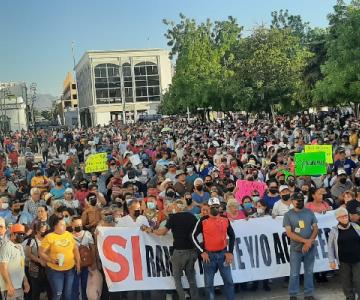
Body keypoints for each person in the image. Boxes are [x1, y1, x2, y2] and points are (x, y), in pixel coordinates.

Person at [143, 199, 198, 300]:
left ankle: (182, 297)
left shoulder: (174, 217)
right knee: (191, 277)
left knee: (177, 278)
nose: (172, 208)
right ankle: (195, 297)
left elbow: (162, 232)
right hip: (192, 251)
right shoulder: (192, 216)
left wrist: (150, 230)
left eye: (173, 206)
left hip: (179, 251)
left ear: (177, 207)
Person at [192, 197, 235, 300]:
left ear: (219, 206)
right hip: (209, 256)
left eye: (217, 206)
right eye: (212, 207)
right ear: (209, 208)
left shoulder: (225, 219)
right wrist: (202, 252)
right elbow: (193, 236)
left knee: (229, 281)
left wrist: (230, 252)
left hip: (223, 254)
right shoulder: (203, 220)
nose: (215, 208)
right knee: (209, 284)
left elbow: (232, 236)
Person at [283, 192, 318, 300]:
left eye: (301, 199)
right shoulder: (288, 215)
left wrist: (309, 242)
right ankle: (293, 294)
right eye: (297, 200)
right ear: (292, 201)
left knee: (309, 271)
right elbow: (289, 233)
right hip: (296, 249)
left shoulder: (310, 212)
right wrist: (305, 241)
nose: (299, 201)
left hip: (310, 248)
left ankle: (309, 294)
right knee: (294, 273)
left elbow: (316, 228)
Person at [39, 215, 81, 300]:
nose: (65, 226)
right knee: (58, 293)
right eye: (61, 224)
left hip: (70, 269)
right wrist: (51, 260)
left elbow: (75, 249)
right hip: (55, 271)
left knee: (68, 294)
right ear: (55, 226)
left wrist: (78, 263)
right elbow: (41, 253)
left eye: (64, 224)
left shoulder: (68, 234)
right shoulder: (49, 237)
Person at [328, 207, 360, 300]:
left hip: (357, 259)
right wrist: (331, 261)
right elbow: (330, 247)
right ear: (337, 218)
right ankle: (350, 297)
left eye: (346, 216)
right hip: (343, 261)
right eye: (341, 217)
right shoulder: (334, 231)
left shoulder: (356, 226)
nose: (344, 218)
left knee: (358, 280)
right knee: (346, 281)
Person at [0, 223, 30, 300]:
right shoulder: (7, 247)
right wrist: (9, 285)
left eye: (23, 234)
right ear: (12, 234)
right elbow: (3, 268)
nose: (22, 236)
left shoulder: (20, 247)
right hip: (9, 287)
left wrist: (25, 281)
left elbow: (21, 266)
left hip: (19, 286)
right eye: (19, 234)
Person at [25, 222, 51, 300]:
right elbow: (28, 254)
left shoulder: (48, 239)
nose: (44, 231)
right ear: (37, 230)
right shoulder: (31, 240)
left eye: (45, 230)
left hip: (48, 268)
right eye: (42, 230)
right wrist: (39, 260)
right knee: (36, 291)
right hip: (35, 269)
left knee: (49, 290)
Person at [72, 216, 96, 300]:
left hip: (86, 264)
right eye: (77, 225)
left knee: (85, 285)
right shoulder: (69, 236)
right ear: (72, 225)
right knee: (74, 286)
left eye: (80, 224)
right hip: (74, 265)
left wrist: (94, 262)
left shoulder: (87, 234)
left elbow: (93, 248)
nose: (79, 226)